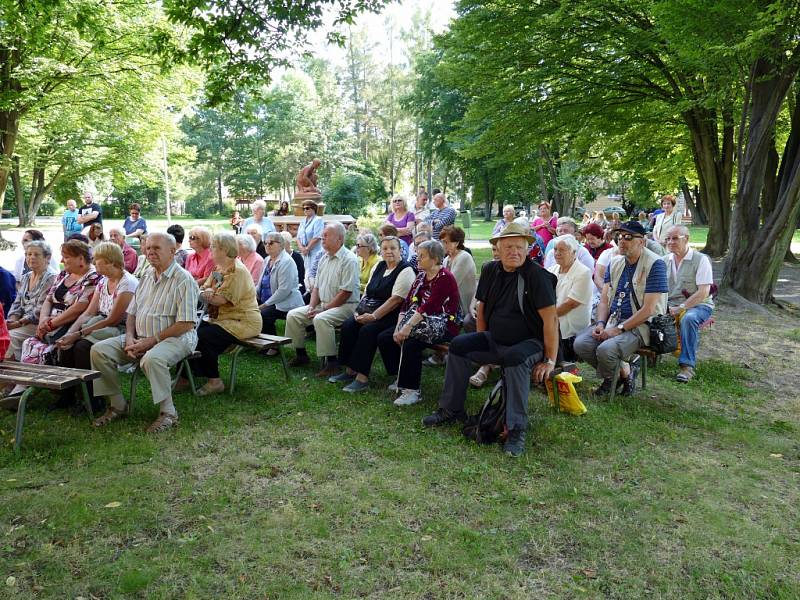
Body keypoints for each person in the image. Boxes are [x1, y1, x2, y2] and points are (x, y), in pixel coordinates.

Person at [421, 223, 559, 457]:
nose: (514, 252)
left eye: (519, 247)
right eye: (508, 247)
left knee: (515, 358)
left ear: (527, 250)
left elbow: (551, 320)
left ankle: (516, 429)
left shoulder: (538, 277)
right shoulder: (490, 270)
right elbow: (482, 307)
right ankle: (451, 409)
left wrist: (550, 360)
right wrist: (482, 336)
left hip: (530, 344)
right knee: (459, 345)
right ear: (498, 248)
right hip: (496, 339)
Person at [90, 232, 199, 432]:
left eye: (156, 248)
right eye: (148, 248)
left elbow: (186, 324)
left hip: (176, 338)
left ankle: (169, 413)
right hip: (140, 337)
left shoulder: (184, 280)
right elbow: (131, 312)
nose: (150, 252)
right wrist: (130, 337)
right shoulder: (147, 275)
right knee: (99, 350)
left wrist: (151, 341)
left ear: (173, 251)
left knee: (152, 359)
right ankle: (118, 405)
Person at [573, 221, 669, 396]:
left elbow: (649, 309)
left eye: (628, 237)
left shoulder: (656, 264)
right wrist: (601, 323)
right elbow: (604, 300)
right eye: (619, 237)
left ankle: (610, 380)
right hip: (614, 319)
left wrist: (618, 330)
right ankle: (624, 373)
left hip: (642, 325)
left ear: (642, 241)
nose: (622, 241)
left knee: (605, 350)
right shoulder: (614, 263)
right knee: (581, 344)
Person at [54, 242, 138, 409]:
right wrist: (70, 332)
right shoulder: (104, 281)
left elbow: (113, 320)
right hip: (101, 324)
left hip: (120, 328)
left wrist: (77, 335)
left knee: (82, 346)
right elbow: (89, 313)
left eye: (96, 260)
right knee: (67, 345)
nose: (93, 263)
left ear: (109, 262)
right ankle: (69, 395)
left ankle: (93, 399)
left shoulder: (127, 283)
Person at [176, 233, 262, 396]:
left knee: (203, 336)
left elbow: (219, 299)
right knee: (189, 332)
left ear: (224, 250)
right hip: (222, 319)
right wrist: (206, 291)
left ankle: (215, 381)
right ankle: (186, 377)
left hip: (243, 321)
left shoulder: (238, 271)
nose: (211, 250)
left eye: (214, 247)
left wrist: (203, 292)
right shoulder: (218, 267)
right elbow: (207, 289)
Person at [376, 240, 460, 407]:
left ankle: (412, 391)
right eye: (418, 254)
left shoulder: (445, 278)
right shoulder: (421, 276)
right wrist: (400, 326)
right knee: (386, 337)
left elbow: (430, 307)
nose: (417, 258)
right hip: (420, 322)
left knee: (411, 343)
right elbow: (407, 303)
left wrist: (406, 328)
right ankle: (400, 375)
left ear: (435, 259)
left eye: (422, 256)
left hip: (444, 324)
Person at [329, 237, 415, 392]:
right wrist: (359, 311)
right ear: (380, 251)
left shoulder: (406, 270)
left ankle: (362, 377)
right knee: (349, 325)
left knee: (368, 331)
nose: (389, 251)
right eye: (385, 248)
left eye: (393, 248)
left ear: (400, 250)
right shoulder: (379, 266)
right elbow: (368, 292)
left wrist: (374, 316)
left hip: (393, 315)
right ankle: (350, 370)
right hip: (370, 310)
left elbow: (395, 300)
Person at [285, 222, 360, 376]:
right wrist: (312, 307)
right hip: (325, 304)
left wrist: (323, 309)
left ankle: (332, 362)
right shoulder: (324, 258)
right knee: (294, 315)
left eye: (326, 235)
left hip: (346, 306)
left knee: (321, 319)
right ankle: (301, 355)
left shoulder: (349, 259)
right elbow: (317, 288)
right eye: (322, 235)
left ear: (339, 239)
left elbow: (345, 293)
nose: (322, 237)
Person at [17, 240, 100, 369]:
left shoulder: (93, 277)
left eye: (66, 257)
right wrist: (43, 320)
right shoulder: (64, 274)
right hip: (50, 325)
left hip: (71, 325)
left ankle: (47, 384)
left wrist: (51, 324)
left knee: (56, 348)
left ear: (81, 259)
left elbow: (79, 307)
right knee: (29, 343)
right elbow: (48, 299)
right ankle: (27, 383)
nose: (62, 261)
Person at [664, 225, 714, 383]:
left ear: (687, 239)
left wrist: (681, 308)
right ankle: (636, 359)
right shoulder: (663, 261)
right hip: (670, 304)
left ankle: (687, 367)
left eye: (675, 238)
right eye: (668, 239)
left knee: (689, 319)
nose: (670, 242)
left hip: (699, 305)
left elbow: (703, 292)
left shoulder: (701, 260)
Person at [5, 241, 57, 361]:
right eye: (28, 254)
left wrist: (18, 323)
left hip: (37, 324)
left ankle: (14, 373)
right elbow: (17, 303)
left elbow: (40, 310)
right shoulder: (26, 277)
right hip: (21, 322)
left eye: (36, 254)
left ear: (47, 257)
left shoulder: (51, 278)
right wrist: (11, 320)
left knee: (9, 336)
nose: (31, 257)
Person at [548, 235, 592, 361]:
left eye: (562, 250)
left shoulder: (583, 272)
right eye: (555, 249)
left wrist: (547, 317)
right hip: (553, 317)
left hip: (570, 323)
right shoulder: (552, 270)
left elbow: (571, 304)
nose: (557, 253)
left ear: (574, 253)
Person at [257, 232, 305, 344]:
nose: (267, 245)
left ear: (281, 245)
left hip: (285, 301)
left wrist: (264, 305)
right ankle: (254, 339)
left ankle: (273, 345)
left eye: (271, 243)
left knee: (264, 313)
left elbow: (284, 291)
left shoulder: (286, 262)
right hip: (268, 299)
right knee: (247, 307)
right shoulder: (267, 260)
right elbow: (261, 283)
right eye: (265, 243)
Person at [439, 225, 476, 318]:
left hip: (462, 305)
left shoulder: (464, 257)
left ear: (456, 243)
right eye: (442, 242)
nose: (443, 245)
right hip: (450, 300)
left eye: (446, 242)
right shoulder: (446, 259)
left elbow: (450, 283)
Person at [296, 199, 324, 276]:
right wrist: (302, 248)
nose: (305, 210)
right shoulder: (302, 221)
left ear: (313, 208)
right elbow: (298, 237)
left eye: (307, 208)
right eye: (303, 208)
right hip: (304, 253)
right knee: (305, 274)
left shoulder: (318, 220)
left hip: (315, 251)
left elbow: (317, 237)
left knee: (314, 274)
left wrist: (307, 249)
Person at [279, 231, 305, 295]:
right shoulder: (278, 256)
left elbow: (301, 275)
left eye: (283, 243)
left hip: (296, 286)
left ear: (288, 243)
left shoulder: (297, 257)